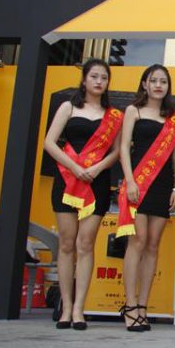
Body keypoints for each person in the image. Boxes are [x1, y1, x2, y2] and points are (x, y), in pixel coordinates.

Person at [43, 58, 123, 330]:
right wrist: (75, 167)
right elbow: (50, 143)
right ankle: (66, 307)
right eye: (94, 76)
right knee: (66, 244)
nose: (99, 81)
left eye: (104, 77)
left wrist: (97, 168)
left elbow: (117, 151)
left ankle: (79, 308)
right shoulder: (68, 107)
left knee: (85, 244)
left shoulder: (113, 115)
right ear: (84, 79)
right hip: (67, 180)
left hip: (96, 182)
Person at [116, 64, 175, 332]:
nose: (158, 85)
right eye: (153, 80)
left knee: (153, 245)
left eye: (163, 81)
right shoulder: (133, 111)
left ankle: (143, 306)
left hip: (162, 184)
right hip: (138, 182)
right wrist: (130, 181)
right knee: (138, 241)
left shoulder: (173, 118)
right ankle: (130, 306)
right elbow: (124, 148)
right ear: (144, 84)